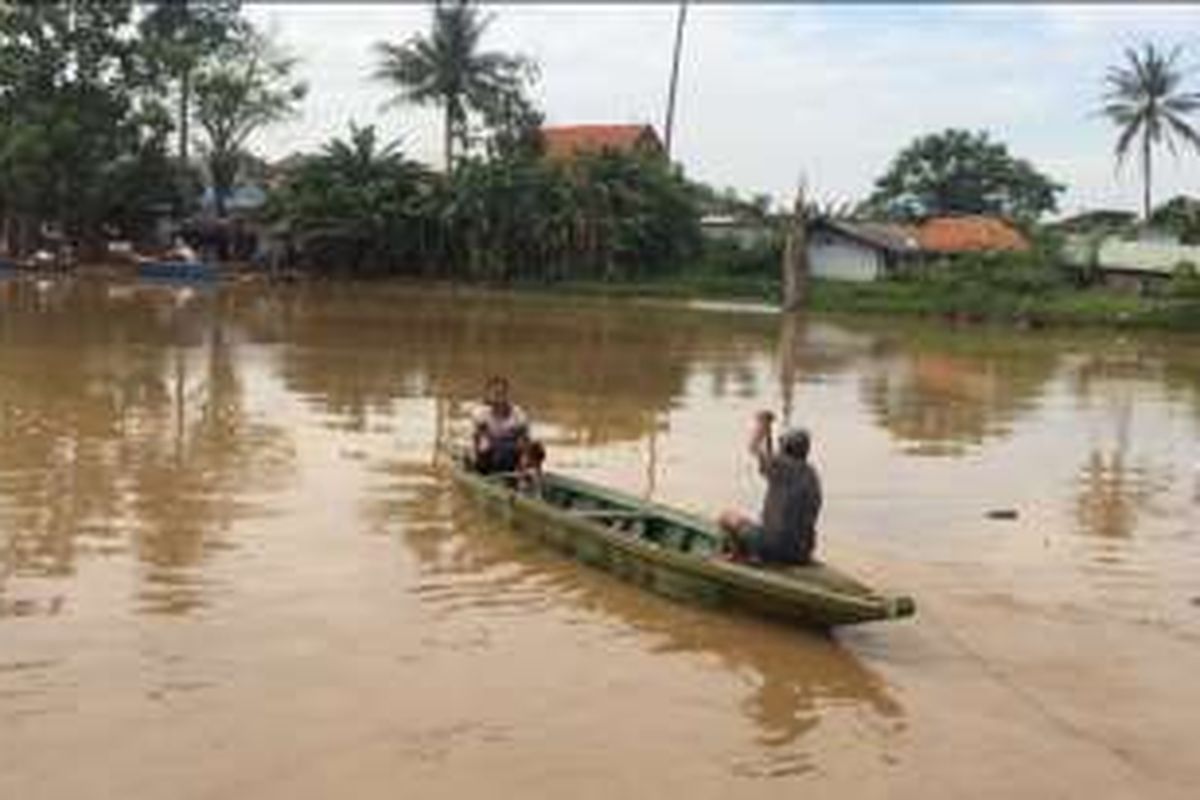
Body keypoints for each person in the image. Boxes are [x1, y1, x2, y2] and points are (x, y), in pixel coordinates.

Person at [718, 410, 821, 565]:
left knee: (726, 516)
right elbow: (771, 469)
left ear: (785, 448)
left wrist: (762, 424)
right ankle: (755, 554)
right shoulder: (812, 475)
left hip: (774, 547)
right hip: (803, 552)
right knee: (761, 527)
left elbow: (753, 447)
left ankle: (740, 558)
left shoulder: (780, 465)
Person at [471, 376, 530, 475]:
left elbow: (524, 440)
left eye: (502, 393)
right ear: (489, 395)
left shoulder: (518, 414)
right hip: (490, 457)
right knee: (486, 447)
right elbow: (480, 440)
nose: (499, 398)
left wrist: (524, 459)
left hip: (512, 454)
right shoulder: (481, 413)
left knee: (535, 449)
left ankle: (523, 478)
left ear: (507, 394)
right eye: (495, 394)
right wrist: (483, 443)